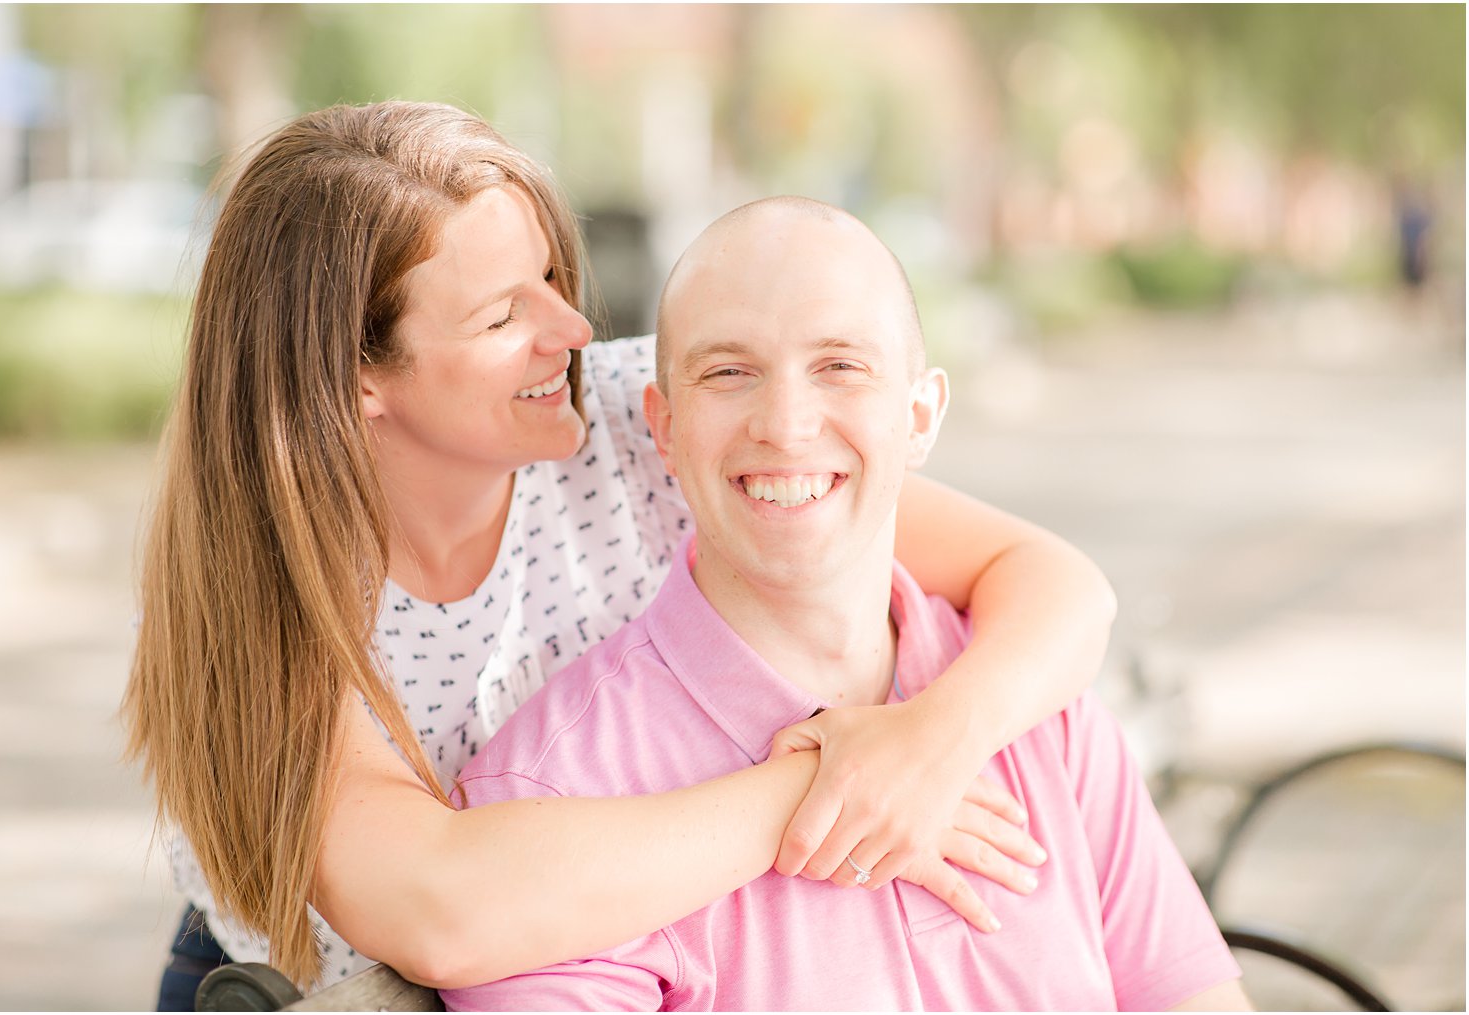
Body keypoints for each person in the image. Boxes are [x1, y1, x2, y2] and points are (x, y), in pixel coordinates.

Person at [122, 101, 1118, 1002]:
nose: (572, 327)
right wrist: (834, 790)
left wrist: (928, 742)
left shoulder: (638, 414)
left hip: (626, 950)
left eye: (550, 276)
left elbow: (1053, 585)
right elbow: (444, 915)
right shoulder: (260, 596)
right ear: (356, 379)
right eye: (503, 315)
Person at [442, 197, 1247, 1011]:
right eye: (729, 370)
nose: (787, 425)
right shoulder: (550, 811)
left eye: (840, 366)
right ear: (666, 427)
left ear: (920, 414)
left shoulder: (1040, 712)